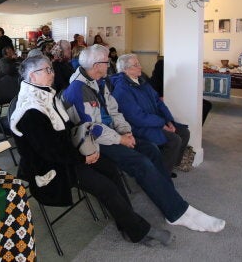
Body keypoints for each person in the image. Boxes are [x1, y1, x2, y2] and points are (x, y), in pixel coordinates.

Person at [9, 55, 174, 246]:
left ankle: (128, 225)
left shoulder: (46, 95)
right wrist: (83, 157)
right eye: (46, 70)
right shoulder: (30, 110)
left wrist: (88, 149)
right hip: (52, 167)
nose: (52, 73)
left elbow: (68, 128)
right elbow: (49, 152)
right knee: (106, 187)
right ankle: (138, 230)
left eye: (51, 69)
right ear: (32, 76)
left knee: (111, 168)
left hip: (68, 154)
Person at [62, 44, 225, 233]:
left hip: (112, 133)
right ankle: (177, 212)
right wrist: (121, 139)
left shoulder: (100, 81)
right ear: (96, 65)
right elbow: (94, 129)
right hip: (96, 141)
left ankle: (170, 197)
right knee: (141, 162)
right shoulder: (79, 89)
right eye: (107, 62)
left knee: (151, 150)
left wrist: (125, 131)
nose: (110, 65)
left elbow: (114, 110)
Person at [110, 54, 190, 176]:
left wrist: (169, 120)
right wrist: (162, 124)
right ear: (125, 69)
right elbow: (136, 117)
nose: (140, 67)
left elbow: (158, 102)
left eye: (139, 63)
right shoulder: (122, 89)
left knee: (184, 132)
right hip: (138, 127)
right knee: (174, 140)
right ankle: (160, 176)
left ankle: (168, 166)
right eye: (136, 65)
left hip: (155, 121)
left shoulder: (141, 81)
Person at [150, 58, 212, 125]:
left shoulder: (167, 78)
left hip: (175, 99)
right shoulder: (154, 82)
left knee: (207, 104)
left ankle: (198, 126)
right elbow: (160, 99)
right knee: (203, 106)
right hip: (168, 104)